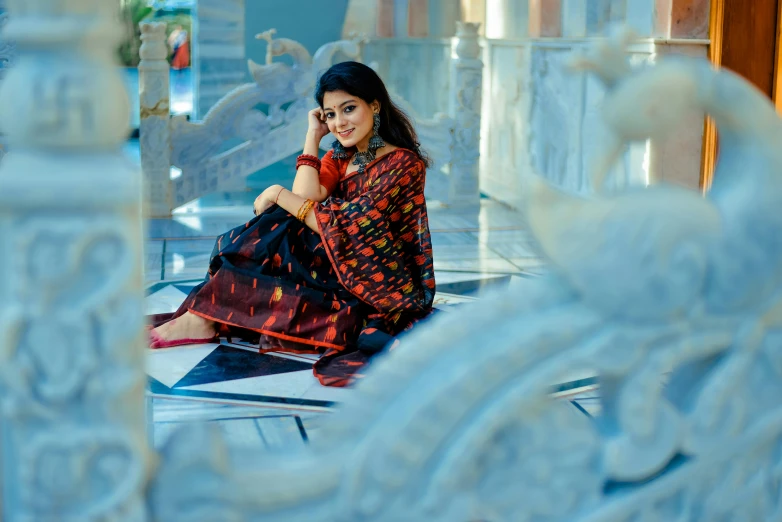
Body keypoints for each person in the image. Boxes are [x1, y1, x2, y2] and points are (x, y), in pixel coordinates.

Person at [149, 61, 436, 387]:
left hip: (376, 273)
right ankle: (203, 318)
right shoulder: (344, 155)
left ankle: (204, 319)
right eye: (330, 114)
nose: (339, 122)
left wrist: (277, 192)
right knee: (278, 224)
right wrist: (312, 137)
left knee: (276, 224)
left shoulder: (403, 163)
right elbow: (306, 198)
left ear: (374, 105)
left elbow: (354, 228)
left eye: (349, 109)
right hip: (337, 252)